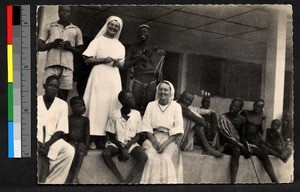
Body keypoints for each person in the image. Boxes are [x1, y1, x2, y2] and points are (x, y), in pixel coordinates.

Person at [82, 16, 125, 149]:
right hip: (99, 76)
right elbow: (87, 59)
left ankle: (107, 138)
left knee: (111, 105)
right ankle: (93, 138)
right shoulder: (97, 41)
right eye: (111, 25)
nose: (113, 28)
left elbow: (122, 65)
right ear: (107, 25)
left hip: (113, 77)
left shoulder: (120, 45)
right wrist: (102, 60)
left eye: (116, 26)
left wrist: (118, 63)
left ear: (119, 29)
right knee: (97, 104)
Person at [218, 98, 278, 183]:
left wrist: (246, 147)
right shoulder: (223, 117)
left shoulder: (242, 118)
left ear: (240, 109)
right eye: (232, 104)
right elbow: (226, 137)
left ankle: (275, 181)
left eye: (236, 106)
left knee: (263, 153)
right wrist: (242, 147)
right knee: (236, 150)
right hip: (226, 144)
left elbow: (242, 136)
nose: (233, 107)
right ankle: (233, 183)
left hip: (238, 143)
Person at [140, 81, 184, 184]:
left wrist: (164, 144)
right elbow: (146, 126)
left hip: (170, 139)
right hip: (153, 137)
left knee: (165, 158)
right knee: (150, 158)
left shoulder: (176, 107)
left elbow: (178, 129)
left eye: (165, 90)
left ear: (170, 92)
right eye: (160, 89)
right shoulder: (151, 105)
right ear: (157, 91)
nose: (162, 92)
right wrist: (154, 142)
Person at [38, 6, 84, 101]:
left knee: (63, 96)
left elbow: (81, 51)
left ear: (71, 13)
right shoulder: (50, 26)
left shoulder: (76, 30)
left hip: (67, 67)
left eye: (67, 11)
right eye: (62, 11)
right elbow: (39, 47)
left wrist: (70, 47)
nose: (64, 13)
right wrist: (53, 43)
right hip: (51, 65)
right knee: (48, 93)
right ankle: (46, 115)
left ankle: (59, 115)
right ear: (58, 12)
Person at [102, 90, 148, 183]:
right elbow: (111, 135)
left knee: (143, 157)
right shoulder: (114, 114)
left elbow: (138, 135)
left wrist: (126, 148)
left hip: (131, 143)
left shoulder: (136, 114)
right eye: (129, 99)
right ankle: (121, 180)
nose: (133, 100)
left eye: (133, 98)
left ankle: (127, 182)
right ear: (122, 101)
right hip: (116, 143)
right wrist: (121, 149)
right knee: (105, 154)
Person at [37, 75, 75, 184]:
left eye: (56, 87)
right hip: (34, 139)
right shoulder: (35, 101)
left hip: (52, 140)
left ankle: (53, 182)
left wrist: (47, 145)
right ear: (45, 86)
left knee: (69, 150)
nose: (53, 89)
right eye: (51, 85)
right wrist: (37, 143)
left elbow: (60, 130)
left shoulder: (62, 104)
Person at [124, 24, 165, 114]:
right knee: (135, 105)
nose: (143, 34)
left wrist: (158, 52)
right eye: (141, 32)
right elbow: (126, 64)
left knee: (150, 106)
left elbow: (162, 54)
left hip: (152, 80)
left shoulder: (153, 47)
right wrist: (138, 58)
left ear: (148, 34)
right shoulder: (133, 48)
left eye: (145, 32)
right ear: (137, 34)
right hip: (138, 79)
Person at [177, 91, 222, 157]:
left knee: (194, 118)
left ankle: (207, 147)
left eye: (190, 101)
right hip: (172, 140)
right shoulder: (176, 105)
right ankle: (207, 148)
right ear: (180, 96)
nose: (188, 102)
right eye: (186, 99)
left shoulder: (188, 107)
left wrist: (212, 113)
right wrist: (205, 124)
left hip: (180, 140)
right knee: (193, 120)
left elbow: (199, 110)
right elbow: (195, 117)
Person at [65, 97, 90, 184]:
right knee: (72, 151)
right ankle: (70, 176)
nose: (84, 107)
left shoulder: (85, 120)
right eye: (81, 106)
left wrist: (86, 146)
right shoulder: (68, 119)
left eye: (84, 105)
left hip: (80, 142)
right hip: (70, 141)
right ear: (73, 107)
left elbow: (87, 135)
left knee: (80, 151)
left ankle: (74, 176)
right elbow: (65, 134)